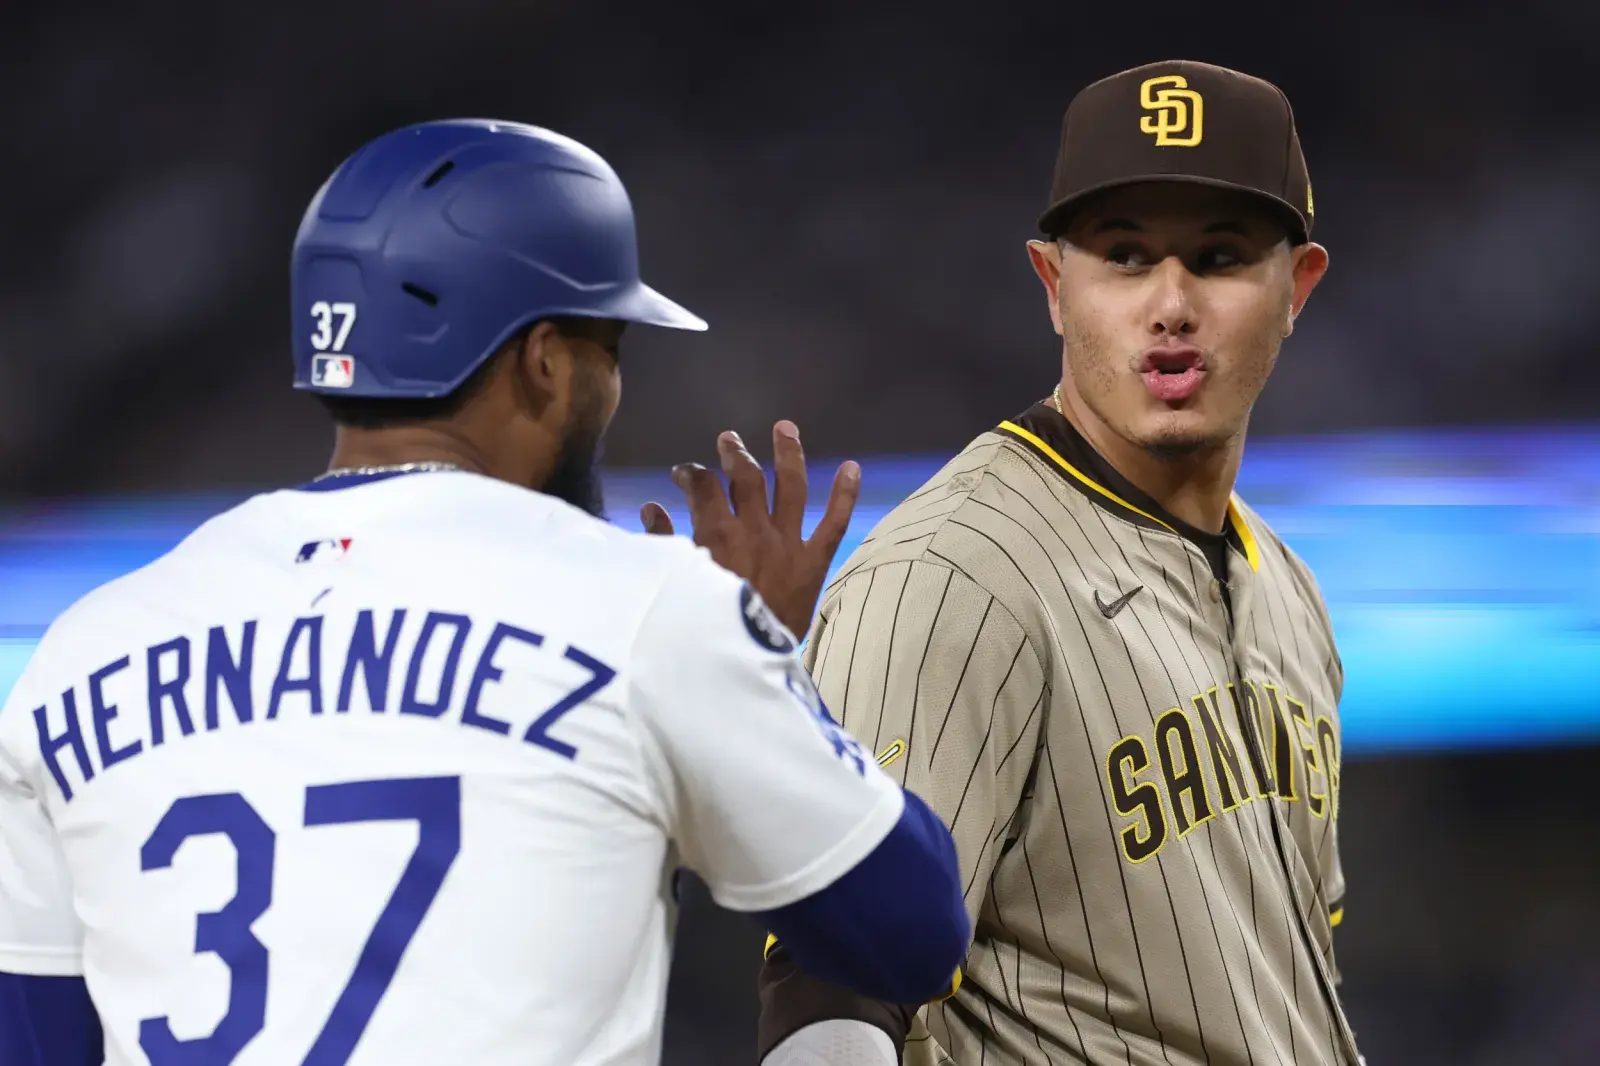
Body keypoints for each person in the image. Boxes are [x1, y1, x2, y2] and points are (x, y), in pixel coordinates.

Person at [0, 120, 969, 1066]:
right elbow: (913, 935)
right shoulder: (649, 610)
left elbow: (32, 1040)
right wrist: (762, 661)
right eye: (609, 348)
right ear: (544, 358)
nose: (611, 384)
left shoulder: (81, 652)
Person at [750, 61, 1364, 1066]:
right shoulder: (951, 576)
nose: (1171, 304)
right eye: (1125, 257)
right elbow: (832, 986)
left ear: (1296, 287)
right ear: (1054, 285)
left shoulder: (1288, 585)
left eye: (1217, 257)